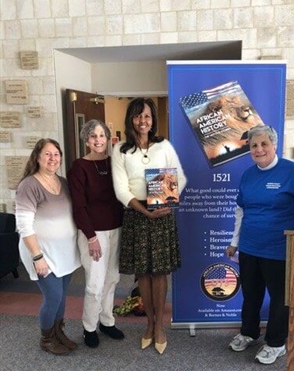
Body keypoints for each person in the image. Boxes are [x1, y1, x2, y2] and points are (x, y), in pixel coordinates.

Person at [226, 125, 294, 364]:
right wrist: (234, 242)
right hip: (250, 247)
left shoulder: (292, 172)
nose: (259, 149)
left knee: (279, 298)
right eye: (254, 145)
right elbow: (240, 210)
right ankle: (249, 332)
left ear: (274, 146)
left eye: (264, 144)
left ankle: (276, 342)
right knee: (251, 295)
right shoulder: (248, 175)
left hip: (280, 248)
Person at [112, 97, 187, 354]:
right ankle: (149, 323)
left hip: (162, 210)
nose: (142, 121)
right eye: (137, 116)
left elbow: (181, 176)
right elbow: (120, 188)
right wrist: (144, 210)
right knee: (142, 273)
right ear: (130, 119)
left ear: (152, 119)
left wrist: (165, 202)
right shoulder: (121, 149)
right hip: (135, 213)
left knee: (160, 272)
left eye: (147, 116)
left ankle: (160, 327)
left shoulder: (163, 145)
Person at [15, 138, 81, 355]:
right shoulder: (29, 185)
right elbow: (24, 226)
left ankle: (58, 333)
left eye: (56, 154)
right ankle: (46, 338)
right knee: (52, 296)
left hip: (64, 252)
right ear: (37, 157)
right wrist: (37, 257)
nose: (53, 159)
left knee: (62, 295)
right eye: (48, 154)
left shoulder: (63, 182)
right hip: (41, 253)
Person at [67, 120, 125, 348]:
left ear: (108, 138)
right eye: (93, 136)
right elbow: (78, 206)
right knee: (94, 282)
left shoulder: (114, 163)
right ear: (86, 140)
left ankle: (107, 322)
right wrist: (91, 237)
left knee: (112, 278)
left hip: (116, 229)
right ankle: (89, 327)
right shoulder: (79, 167)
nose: (98, 140)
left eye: (102, 135)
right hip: (93, 233)